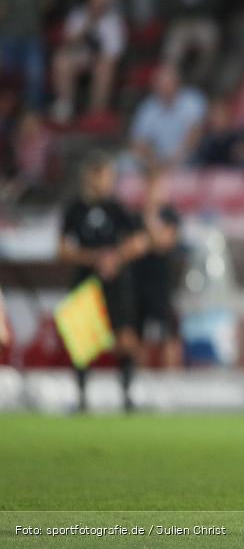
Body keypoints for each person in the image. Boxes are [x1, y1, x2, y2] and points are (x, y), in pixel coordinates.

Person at [58, 152, 148, 412]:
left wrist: (115, 258)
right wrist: (95, 258)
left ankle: (127, 395)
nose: (102, 182)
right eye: (97, 176)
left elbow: (139, 242)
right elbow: (62, 249)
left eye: (106, 176)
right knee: (82, 340)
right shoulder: (74, 209)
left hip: (116, 282)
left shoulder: (118, 208)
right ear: (87, 177)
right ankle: (82, 397)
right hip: (85, 280)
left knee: (125, 338)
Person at [50, 0, 127, 124]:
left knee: (105, 67)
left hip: (102, 60)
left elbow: (114, 52)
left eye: (102, 0)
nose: (98, 3)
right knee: (61, 59)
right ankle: (65, 107)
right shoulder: (77, 14)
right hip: (80, 57)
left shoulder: (114, 20)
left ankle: (96, 113)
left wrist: (95, 59)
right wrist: (87, 25)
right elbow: (67, 43)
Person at [133, 170, 182, 368]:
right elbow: (132, 247)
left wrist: (150, 229)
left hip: (161, 283)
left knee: (169, 334)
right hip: (139, 280)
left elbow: (164, 242)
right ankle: (139, 378)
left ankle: (172, 377)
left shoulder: (170, 216)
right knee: (139, 335)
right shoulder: (135, 217)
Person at [0, 0, 52, 109]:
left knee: (36, 75)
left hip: (32, 35)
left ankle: (32, 113)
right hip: (6, 35)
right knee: (5, 78)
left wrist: (46, 0)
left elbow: (48, 1)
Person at [129, 64, 207, 171]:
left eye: (165, 84)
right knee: (128, 162)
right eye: (159, 85)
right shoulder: (147, 107)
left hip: (189, 158)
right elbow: (139, 142)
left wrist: (175, 159)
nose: (162, 89)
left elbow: (194, 135)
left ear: (177, 83)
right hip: (157, 161)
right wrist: (154, 161)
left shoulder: (192, 100)